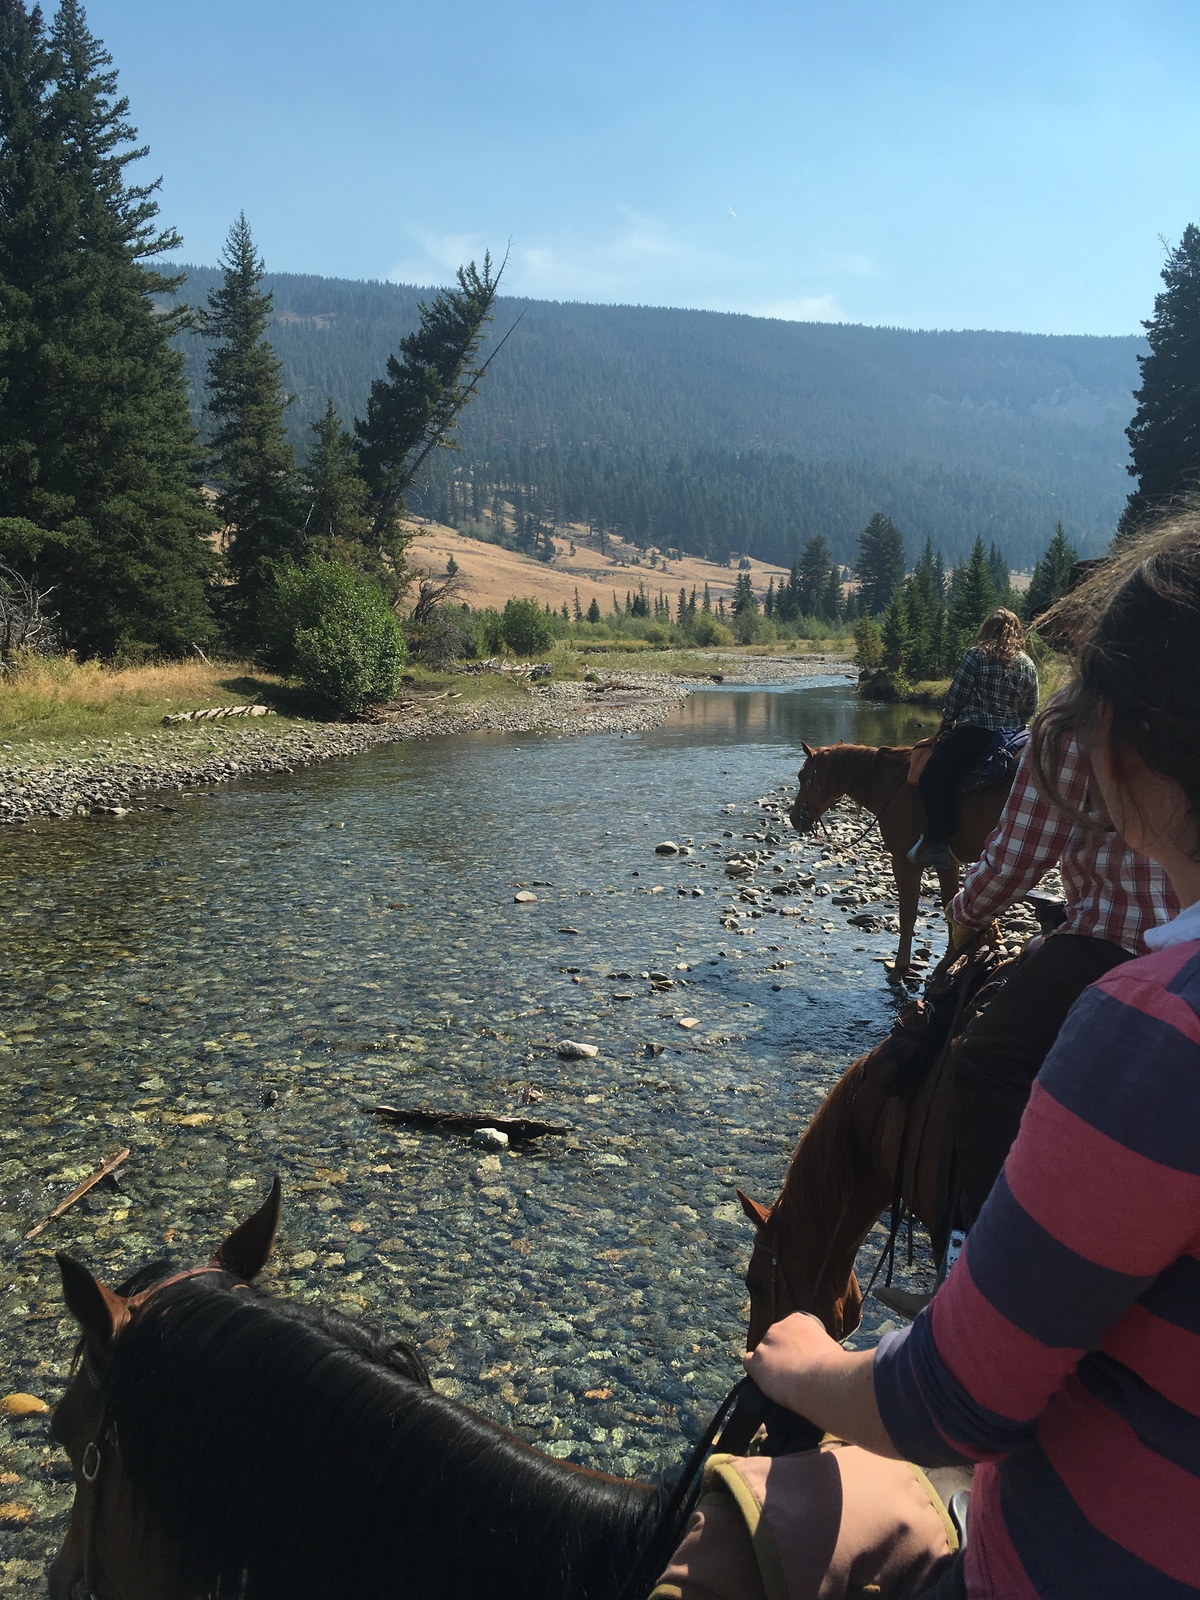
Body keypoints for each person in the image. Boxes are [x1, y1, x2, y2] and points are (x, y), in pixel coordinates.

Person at [744, 516, 1200, 1598]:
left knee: (990, 1060)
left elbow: (956, 1407)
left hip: (1076, 1569)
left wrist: (962, 919)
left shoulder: (1146, 1035)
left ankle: (978, 1257)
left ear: (1121, 749)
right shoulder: (1030, 684)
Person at [909, 610, 1038, 870]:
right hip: (1014, 735)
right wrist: (1013, 721)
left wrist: (947, 720)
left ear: (986, 628)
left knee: (933, 777)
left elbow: (957, 695)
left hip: (976, 730)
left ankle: (937, 844)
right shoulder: (1027, 664)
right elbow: (1031, 706)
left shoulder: (976, 655)